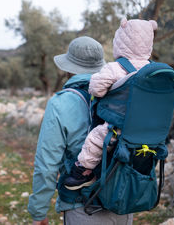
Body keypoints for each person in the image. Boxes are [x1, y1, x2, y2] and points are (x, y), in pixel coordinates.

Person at [28, 36, 133, 225]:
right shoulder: (123, 95)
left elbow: (46, 164)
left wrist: (39, 211)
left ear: (68, 68)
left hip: (82, 207)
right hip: (122, 204)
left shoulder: (61, 103)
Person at [64, 18, 158, 190]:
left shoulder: (114, 68)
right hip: (149, 131)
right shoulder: (154, 70)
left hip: (120, 129)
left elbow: (96, 89)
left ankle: (83, 172)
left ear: (120, 41)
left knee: (95, 138)